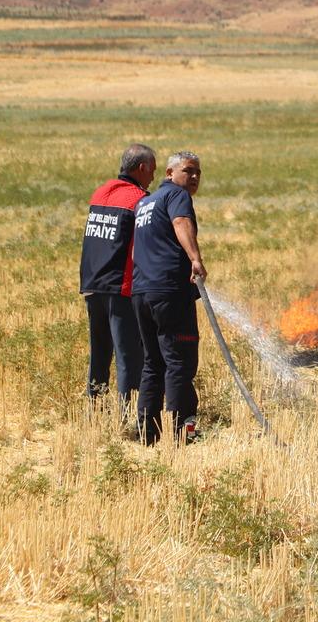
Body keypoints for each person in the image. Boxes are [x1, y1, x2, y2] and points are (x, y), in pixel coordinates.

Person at [131, 150, 208, 445]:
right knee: (180, 362)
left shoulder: (144, 203)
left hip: (143, 292)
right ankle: (183, 432)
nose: (194, 177)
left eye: (198, 173)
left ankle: (147, 432)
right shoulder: (176, 196)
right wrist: (195, 259)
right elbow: (180, 224)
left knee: (153, 362)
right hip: (170, 292)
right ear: (169, 173)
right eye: (188, 171)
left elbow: (138, 249)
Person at [79, 143, 156, 417]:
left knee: (99, 354)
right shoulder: (139, 200)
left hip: (92, 283)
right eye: (152, 171)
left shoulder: (100, 192)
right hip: (120, 288)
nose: (153, 178)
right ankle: (128, 415)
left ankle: (95, 411)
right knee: (129, 357)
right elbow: (140, 246)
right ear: (142, 168)